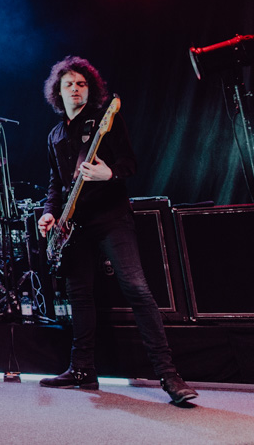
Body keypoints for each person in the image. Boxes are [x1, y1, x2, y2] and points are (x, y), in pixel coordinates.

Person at [36, 56, 197, 405]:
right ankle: (82, 369)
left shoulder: (105, 119)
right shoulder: (54, 135)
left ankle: (169, 376)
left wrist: (108, 173)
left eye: (82, 83)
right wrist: (49, 215)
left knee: (137, 289)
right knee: (80, 296)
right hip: (73, 225)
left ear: (90, 89)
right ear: (58, 92)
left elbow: (130, 162)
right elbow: (55, 184)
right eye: (69, 84)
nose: (76, 89)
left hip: (111, 218)